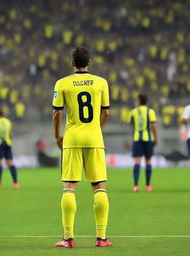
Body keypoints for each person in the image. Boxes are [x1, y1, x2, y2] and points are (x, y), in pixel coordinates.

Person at [52, 47, 112, 248]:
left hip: (72, 138)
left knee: (69, 188)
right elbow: (106, 113)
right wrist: (96, 129)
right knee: (99, 188)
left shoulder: (62, 83)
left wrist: (57, 136)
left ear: (72, 63)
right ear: (90, 62)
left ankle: (68, 238)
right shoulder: (101, 82)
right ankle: (101, 238)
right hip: (94, 138)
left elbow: (57, 113)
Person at [129, 94, 158, 192]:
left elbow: (131, 124)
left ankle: (136, 186)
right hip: (148, 139)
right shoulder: (150, 111)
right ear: (147, 101)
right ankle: (148, 186)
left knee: (137, 161)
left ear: (138, 101)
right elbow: (153, 125)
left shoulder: (133, 112)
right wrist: (156, 138)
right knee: (148, 161)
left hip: (137, 139)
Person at [0, 107, 19, 189]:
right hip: (8, 143)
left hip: (0, 143)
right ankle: (15, 183)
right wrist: (10, 142)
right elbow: (10, 133)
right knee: (10, 162)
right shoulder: (8, 121)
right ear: (3, 113)